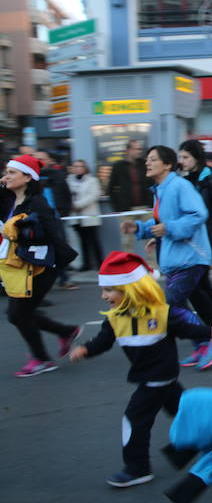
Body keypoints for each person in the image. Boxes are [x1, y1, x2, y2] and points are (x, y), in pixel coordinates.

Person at [68, 251, 212, 488]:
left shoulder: (161, 313)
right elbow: (103, 341)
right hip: (159, 378)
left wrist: (211, 330)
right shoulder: (114, 318)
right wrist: (86, 350)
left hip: (157, 378)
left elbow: (186, 328)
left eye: (109, 290)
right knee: (182, 411)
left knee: (134, 419)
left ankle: (137, 468)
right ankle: (211, 440)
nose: (103, 296)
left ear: (130, 290)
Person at [120, 146, 212, 372]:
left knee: (168, 305)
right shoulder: (161, 190)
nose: (147, 163)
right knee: (176, 306)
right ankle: (203, 342)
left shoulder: (179, 186)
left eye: (153, 159)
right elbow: (160, 223)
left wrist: (170, 228)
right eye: (146, 159)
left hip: (191, 256)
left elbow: (199, 214)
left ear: (167, 164)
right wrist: (137, 228)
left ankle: (210, 339)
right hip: (175, 259)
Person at [2, 154, 81, 377]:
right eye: (6, 172)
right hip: (19, 265)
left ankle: (41, 359)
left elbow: (52, 235)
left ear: (28, 177)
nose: (6, 176)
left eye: (11, 172)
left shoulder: (38, 203)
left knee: (19, 313)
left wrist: (18, 233)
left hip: (42, 266)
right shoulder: (8, 199)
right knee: (18, 313)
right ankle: (65, 331)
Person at [35, 149, 76, 290]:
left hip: (56, 218)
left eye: (43, 158)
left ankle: (63, 279)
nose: (40, 161)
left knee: (60, 248)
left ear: (49, 160)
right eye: (37, 158)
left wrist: (64, 212)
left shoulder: (58, 175)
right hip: (37, 219)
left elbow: (67, 195)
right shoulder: (31, 176)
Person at [108, 139, 154, 253]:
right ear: (128, 150)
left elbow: (152, 183)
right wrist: (118, 208)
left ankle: (153, 268)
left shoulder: (144, 165)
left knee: (150, 239)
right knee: (127, 241)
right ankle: (129, 267)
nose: (139, 151)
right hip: (126, 209)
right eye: (136, 149)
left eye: (140, 149)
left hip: (145, 207)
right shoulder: (119, 166)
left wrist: (152, 202)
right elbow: (111, 188)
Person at [66, 159, 104, 271]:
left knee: (94, 240)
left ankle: (100, 263)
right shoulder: (69, 180)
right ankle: (86, 264)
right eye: (75, 166)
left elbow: (93, 196)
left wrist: (77, 204)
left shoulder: (92, 180)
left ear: (85, 168)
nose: (78, 168)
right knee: (82, 242)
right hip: (76, 217)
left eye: (80, 166)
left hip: (89, 216)